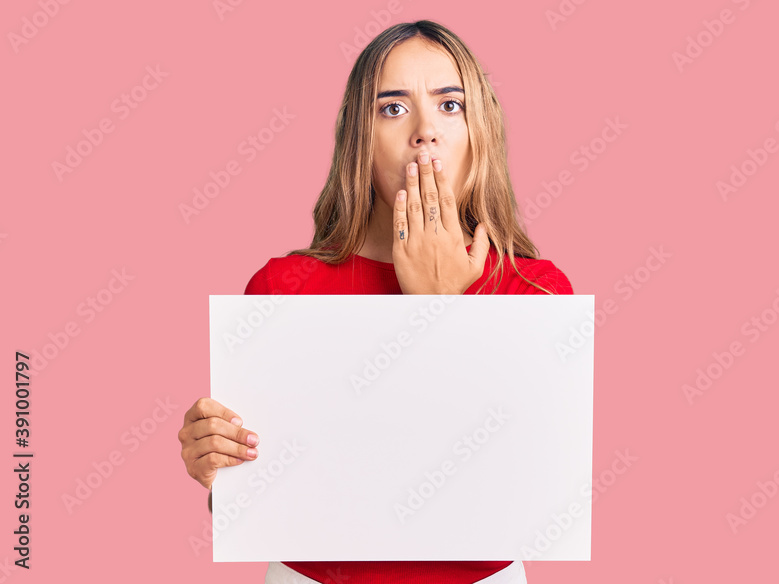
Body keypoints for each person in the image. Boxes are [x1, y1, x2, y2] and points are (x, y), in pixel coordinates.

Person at [178, 19, 573, 584]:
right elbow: (263, 507)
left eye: (449, 105)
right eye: (392, 108)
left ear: (477, 131)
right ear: (360, 140)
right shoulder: (284, 288)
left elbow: (529, 505)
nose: (423, 132)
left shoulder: (536, 290)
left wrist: (442, 303)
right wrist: (221, 473)